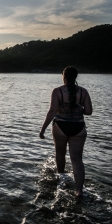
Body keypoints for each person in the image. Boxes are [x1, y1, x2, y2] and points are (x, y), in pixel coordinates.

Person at [39, 66, 92, 198]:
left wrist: (43, 129)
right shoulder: (83, 92)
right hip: (78, 128)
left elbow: (52, 111)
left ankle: (61, 179)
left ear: (64, 76)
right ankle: (79, 191)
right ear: (76, 77)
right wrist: (77, 108)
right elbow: (89, 111)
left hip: (61, 126)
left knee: (60, 153)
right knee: (77, 159)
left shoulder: (58, 91)